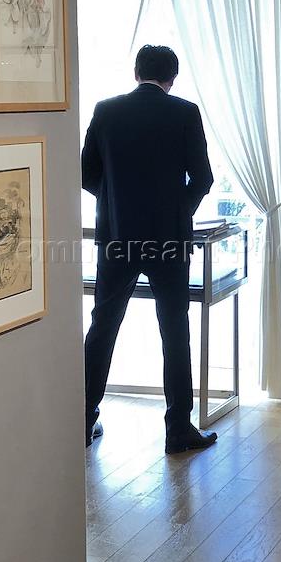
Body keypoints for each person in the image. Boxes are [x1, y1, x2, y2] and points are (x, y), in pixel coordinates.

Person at [81, 45, 217, 454]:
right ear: (172, 77)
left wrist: (115, 202)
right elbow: (203, 178)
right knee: (174, 331)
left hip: (117, 237)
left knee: (103, 326)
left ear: (136, 72)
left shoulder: (106, 110)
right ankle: (178, 428)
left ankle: (82, 419)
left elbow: (86, 173)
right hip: (169, 240)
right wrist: (177, 211)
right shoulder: (184, 112)